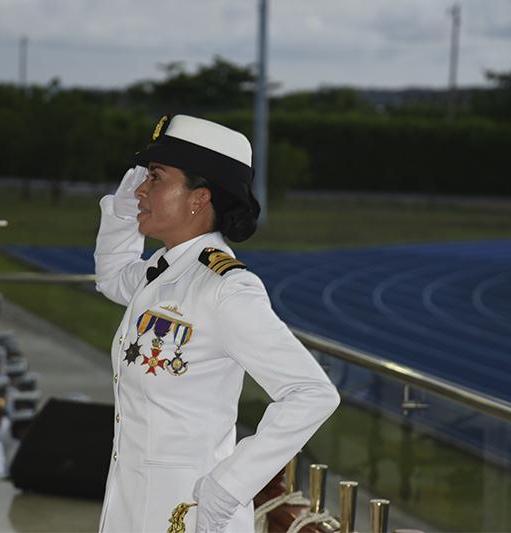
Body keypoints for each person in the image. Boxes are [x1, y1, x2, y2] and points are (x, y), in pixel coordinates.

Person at [94, 114, 340, 533]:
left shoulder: (226, 289)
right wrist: (120, 214)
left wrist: (227, 488)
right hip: (131, 502)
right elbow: (114, 276)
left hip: (187, 512)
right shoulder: (165, 270)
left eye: (155, 178)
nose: (140, 190)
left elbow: (311, 393)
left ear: (198, 197)